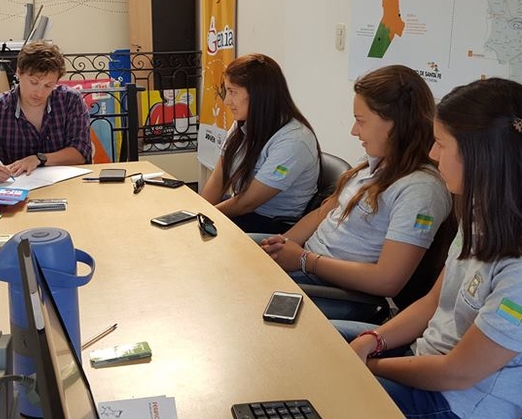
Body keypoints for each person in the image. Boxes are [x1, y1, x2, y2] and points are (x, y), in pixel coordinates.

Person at [339, 78, 522, 419]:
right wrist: (373, 341)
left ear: (481, 157)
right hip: (424, 358)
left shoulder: (517, 270)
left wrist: (371, 365)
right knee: (317, 344)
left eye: (440, 144)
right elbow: (433, 302)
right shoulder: (479, 215)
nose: (432, 154)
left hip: (456, 403)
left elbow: (457, 373)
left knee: (329, 386)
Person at [260, 65, 452, 319]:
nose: (354, 131)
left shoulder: (420, 189)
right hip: (310, 269)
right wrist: (281, 246)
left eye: (361, 121)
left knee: (241, 299)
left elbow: (387, 281)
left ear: (397, 123)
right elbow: (323, 214)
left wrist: (304, 260)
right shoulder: (375, 162)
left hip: (341, 293)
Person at [200, 53, 320, 234]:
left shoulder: (294, 140)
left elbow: (247, 203)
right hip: (242, 211)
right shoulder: (243, 124)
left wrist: (205, 216)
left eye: (232, 92)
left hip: (271, 224)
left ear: (258, 95)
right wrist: (200, 211)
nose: (226, 101)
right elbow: (219, 178)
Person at [0, 41, 92, 183]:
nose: (39, 93)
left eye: (48, 85)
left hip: (65, 186)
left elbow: (81, 152)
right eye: (33, 82)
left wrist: (39, 159)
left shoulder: (70, 100)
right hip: (14, 188)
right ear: (18, 73)